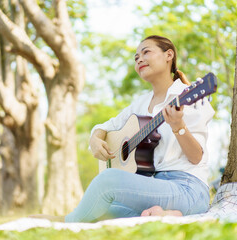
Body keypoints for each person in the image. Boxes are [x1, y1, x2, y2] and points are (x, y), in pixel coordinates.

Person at [36, 35, 215, 223]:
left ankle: (65, 223)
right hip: (155, 187)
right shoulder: (141, 103)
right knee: (103, 211)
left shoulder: (188, 96)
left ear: (168, 55)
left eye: (146, 52)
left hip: (188, 189)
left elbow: (196, 157)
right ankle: (163, 215)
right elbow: (107, 126)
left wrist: (178, 127)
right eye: (136, 57)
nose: (139, 59)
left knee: (107, 180)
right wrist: (95, 138)